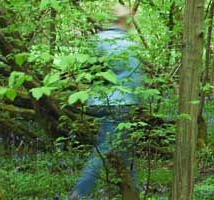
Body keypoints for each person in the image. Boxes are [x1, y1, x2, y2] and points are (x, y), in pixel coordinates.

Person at [71, 5, 145, 199]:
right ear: (125, 21)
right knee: (105, 148)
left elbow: (89, 71)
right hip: (121, 103)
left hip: (99, 100)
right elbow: (136, 80)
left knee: (126, 148)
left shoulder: (98, 40)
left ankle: (133, 190)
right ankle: (79, 193)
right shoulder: (130, 46)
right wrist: (139, 100)